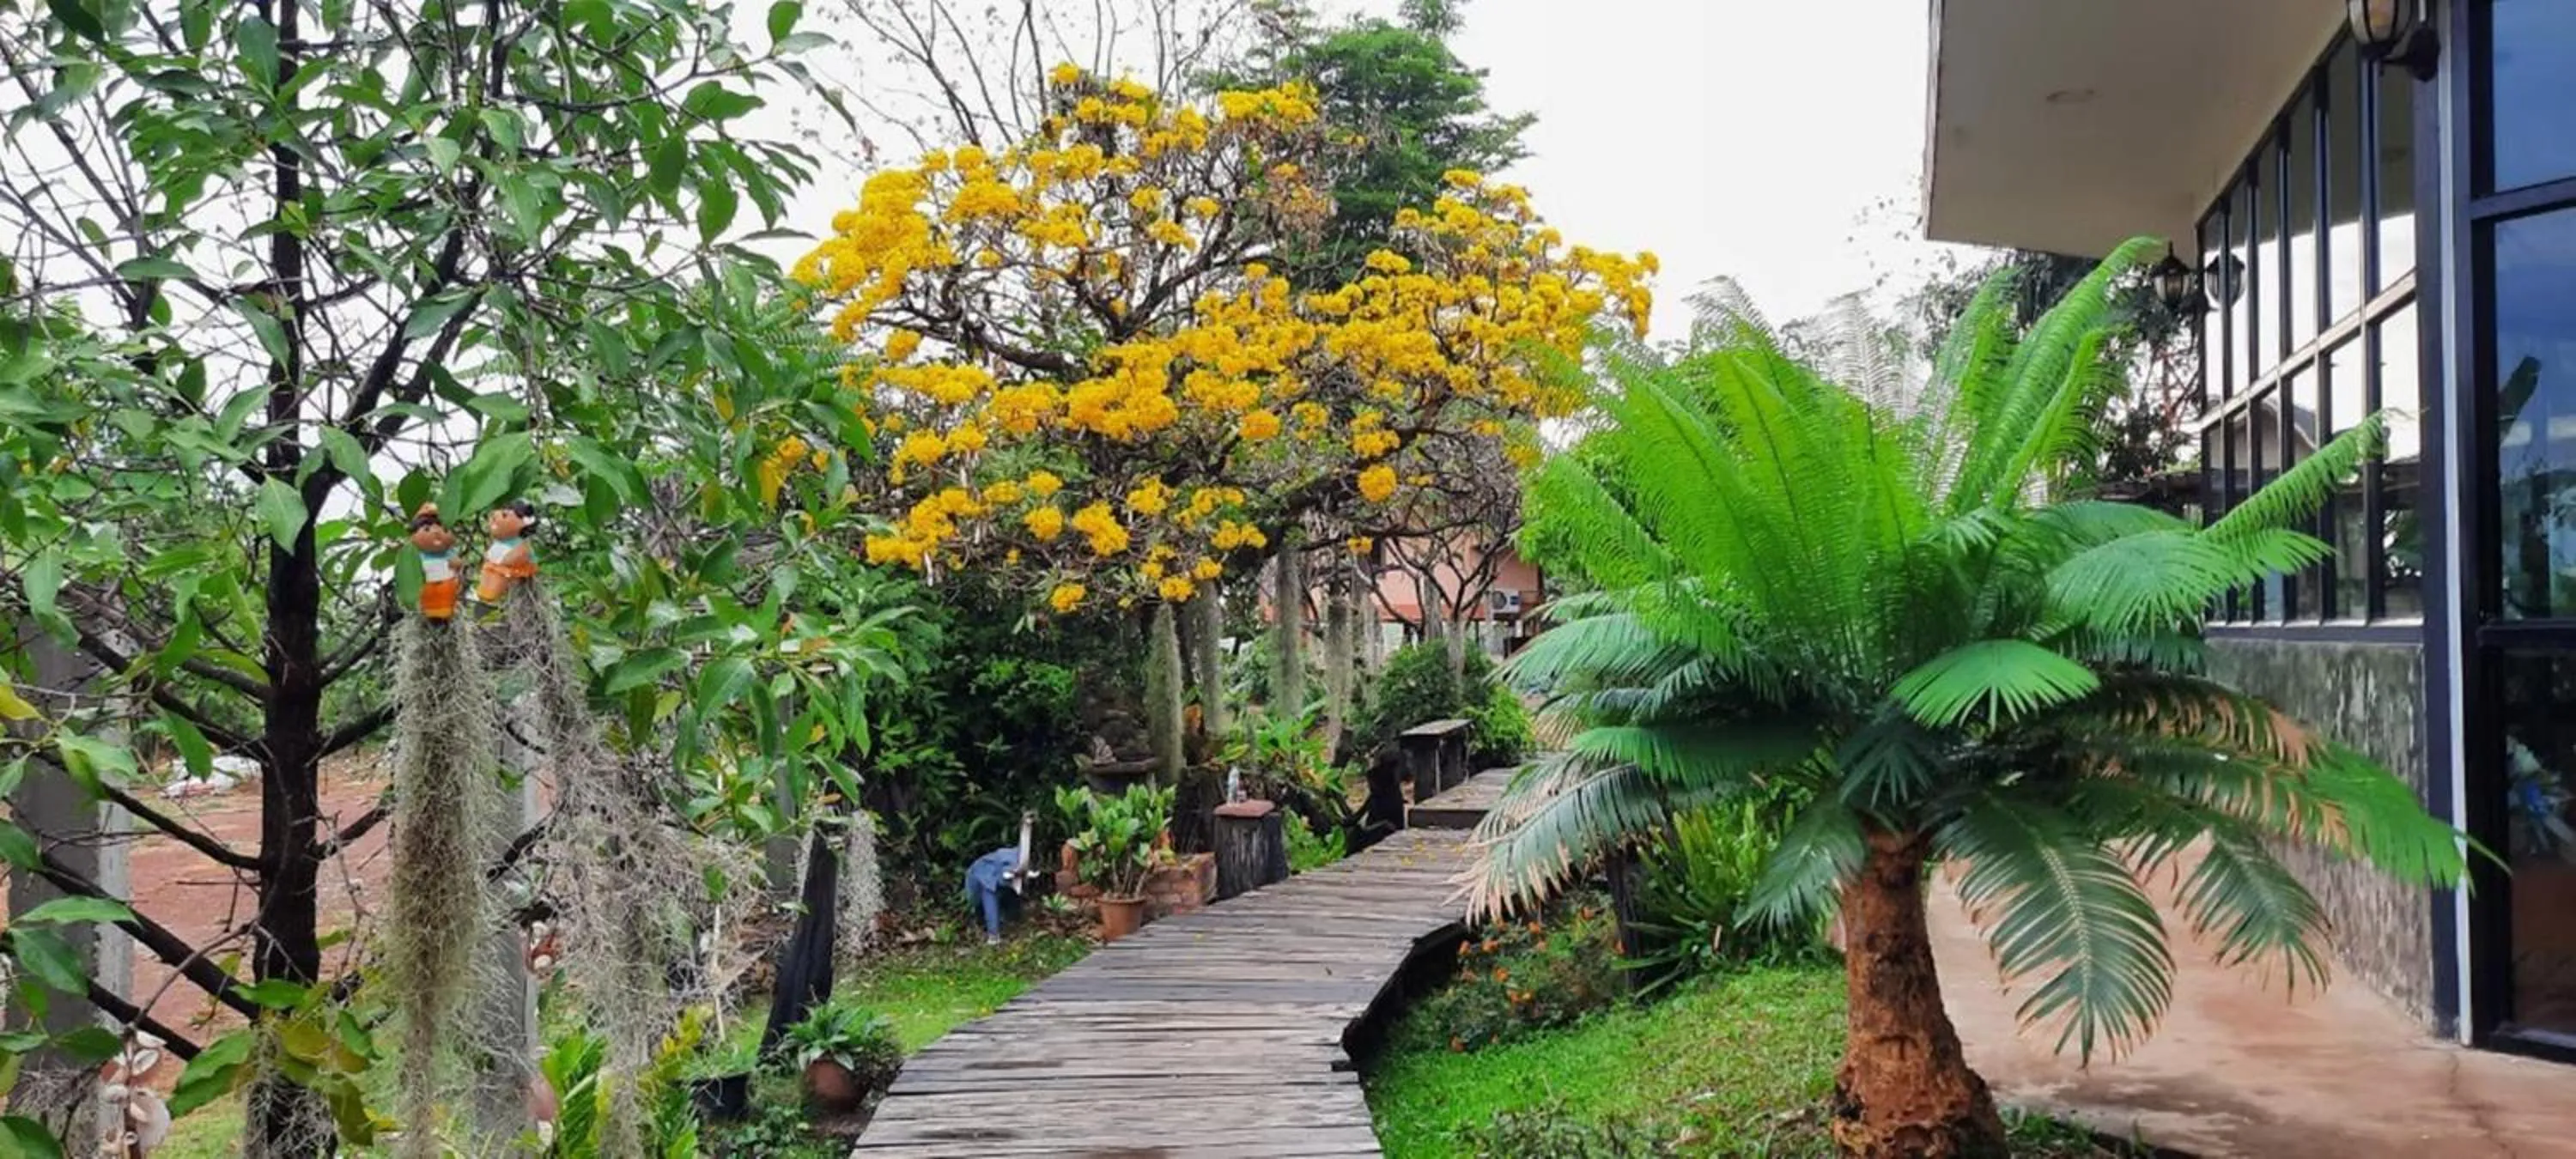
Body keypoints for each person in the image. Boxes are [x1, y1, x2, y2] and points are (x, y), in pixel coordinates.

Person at [963, 810, 1036, 945]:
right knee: (988, 907)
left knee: (1012, 899)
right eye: (1007, 864)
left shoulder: (1012, 867)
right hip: (985, 885)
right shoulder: (985, 875)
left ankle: (1013, 922)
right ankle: (993, 935)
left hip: (1001, 885)